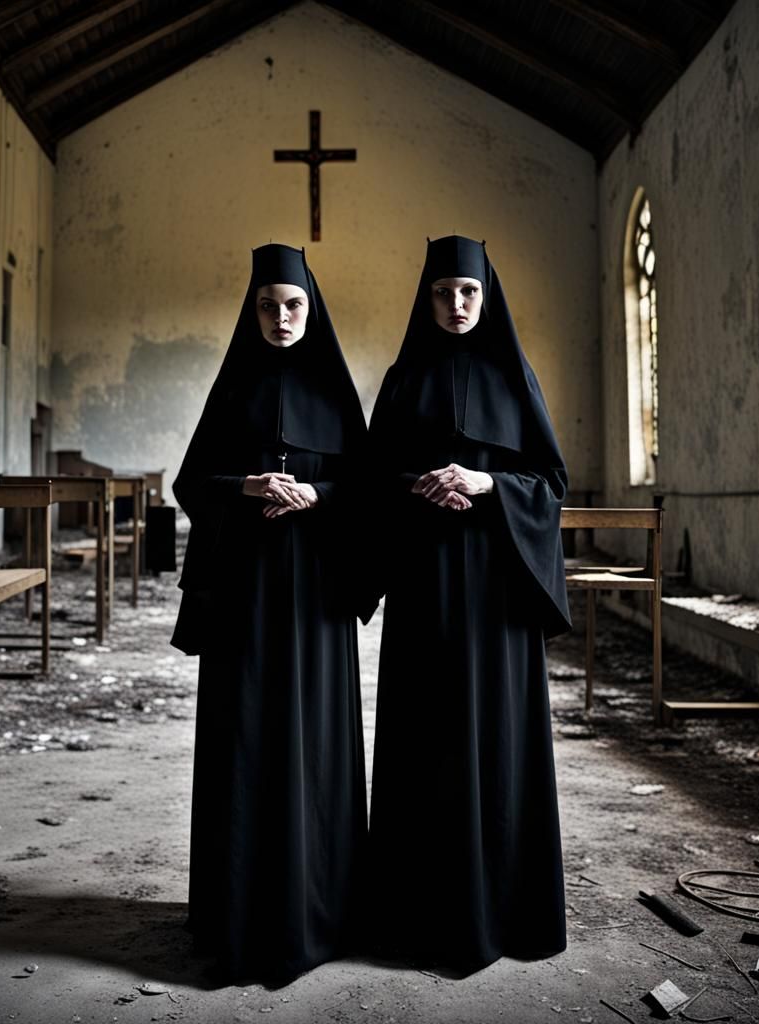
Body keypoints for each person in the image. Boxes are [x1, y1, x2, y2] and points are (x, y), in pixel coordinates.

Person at [366, 234, 572, 973]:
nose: (456, 305)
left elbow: (550, 483)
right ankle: (415, 918)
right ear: (426, 300)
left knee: (495, 738)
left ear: (486, 298)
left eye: (468, 293)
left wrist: (486, 485)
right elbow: (369, 483)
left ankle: (505, 915)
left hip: (496, 592)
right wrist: (417, 484)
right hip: (425, 587)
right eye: (443, 293)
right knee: (427, 737)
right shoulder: (402, 378)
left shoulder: (515, 378)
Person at [171, 243, 369, 984]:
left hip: (316, 594)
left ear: (310, 311)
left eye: (293, 306)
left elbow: (367, 489)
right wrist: (248, 489)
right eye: (267, 305)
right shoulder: (233, 390)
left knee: (312, 740)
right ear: (251, 310)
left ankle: (323, 912)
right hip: (245, 597)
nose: (281, 317)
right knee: (246, 737)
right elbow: (192, 481)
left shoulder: (334, 393)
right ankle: (235, 915)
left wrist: (318, 496)